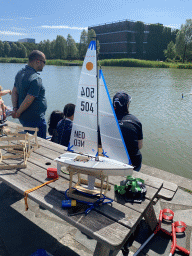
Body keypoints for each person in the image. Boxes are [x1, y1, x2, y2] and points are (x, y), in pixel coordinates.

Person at [11, 50, 47, 139]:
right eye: (44, 62)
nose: (44, 65)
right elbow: (29, 99)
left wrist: (15, 109)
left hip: (24, 119)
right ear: (37, 62)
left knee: (28, 141)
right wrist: (18, 112)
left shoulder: (20, 73)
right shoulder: (35, 78)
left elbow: (14, 92)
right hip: (35, 120)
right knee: (38, 145)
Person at [113, 91, 143, 171]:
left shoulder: (106, 120)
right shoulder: (135, 121)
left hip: (113, 163)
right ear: (127, 105)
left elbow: (100, 145)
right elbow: (140, 146)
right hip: (133, 164)